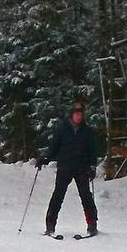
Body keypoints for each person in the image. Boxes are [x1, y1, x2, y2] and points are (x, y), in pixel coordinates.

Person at [36, 100, 99, 237]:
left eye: (81, 114)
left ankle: (92, 224)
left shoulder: (87, 131)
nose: (79, 117)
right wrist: (45, 158)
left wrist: (92, 166)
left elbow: (93, 151)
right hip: (65, 167)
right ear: (72, 115)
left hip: (82, 168)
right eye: (76, 114)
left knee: (86, 196)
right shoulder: (62, 129)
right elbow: (54, 148)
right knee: (58, 196)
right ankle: (50, 225)